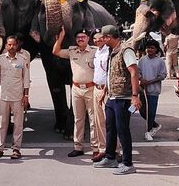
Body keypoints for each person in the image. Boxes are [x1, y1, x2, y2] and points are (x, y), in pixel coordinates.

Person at [93, 25, 141, 175]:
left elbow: (134, 72)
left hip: (123, 97)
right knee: (110, 128)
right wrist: (105, 91)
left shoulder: (126, 50)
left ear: (110, 37)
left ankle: (128, 163)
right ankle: (110, 157)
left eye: (104, 37)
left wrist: (134, 95)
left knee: (122, 130)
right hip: (112, 97)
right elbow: (111, 75)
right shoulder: (111, 51)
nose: (102, 40)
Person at [53, 27, 98, 158]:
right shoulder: (72, 51)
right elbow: (55, 51)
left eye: (83, 37)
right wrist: (60, 38)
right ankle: (78, 147)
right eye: (78, 38)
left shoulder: (95, 52)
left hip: (91, 89)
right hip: (77, 89)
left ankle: (95, 148)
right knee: (78, 119)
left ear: (88, 39)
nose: (80, 39)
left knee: (93, 120)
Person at [0, 36, 30, 160]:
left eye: (13, 45)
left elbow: (26, 80)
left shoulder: (23, 60)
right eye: (9, 45)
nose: (11, 47)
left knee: (18, 124)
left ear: (17, 45)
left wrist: (26, 96)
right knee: (2, 123)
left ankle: (16, 149)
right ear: (6, 46)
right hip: (3, 96)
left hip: (18, 97)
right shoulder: (1, 59)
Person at [138, 39, 167, 141]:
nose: (149, 49)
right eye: (148, 47)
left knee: (151, 112)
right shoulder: (142, 60)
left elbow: (163, 75)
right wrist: (141, 79)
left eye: (152, 48)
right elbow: (138, 72)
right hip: (143, 90)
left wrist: (150, 82)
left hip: (154, 91)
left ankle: (149, 131)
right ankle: (155, 125)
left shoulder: (160, 61)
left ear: (156, 49)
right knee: (142, 111)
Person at [91, 28, 109, 162]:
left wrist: (105, 90)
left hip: (106, 90)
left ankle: (116, 150)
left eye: (100, 38)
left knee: (110, 122)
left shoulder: (109, 52)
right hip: (96, 89)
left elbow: (110, 72)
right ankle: (103, 149)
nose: (98, 40)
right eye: (95, 39)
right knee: (99, 122)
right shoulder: (96, 52)